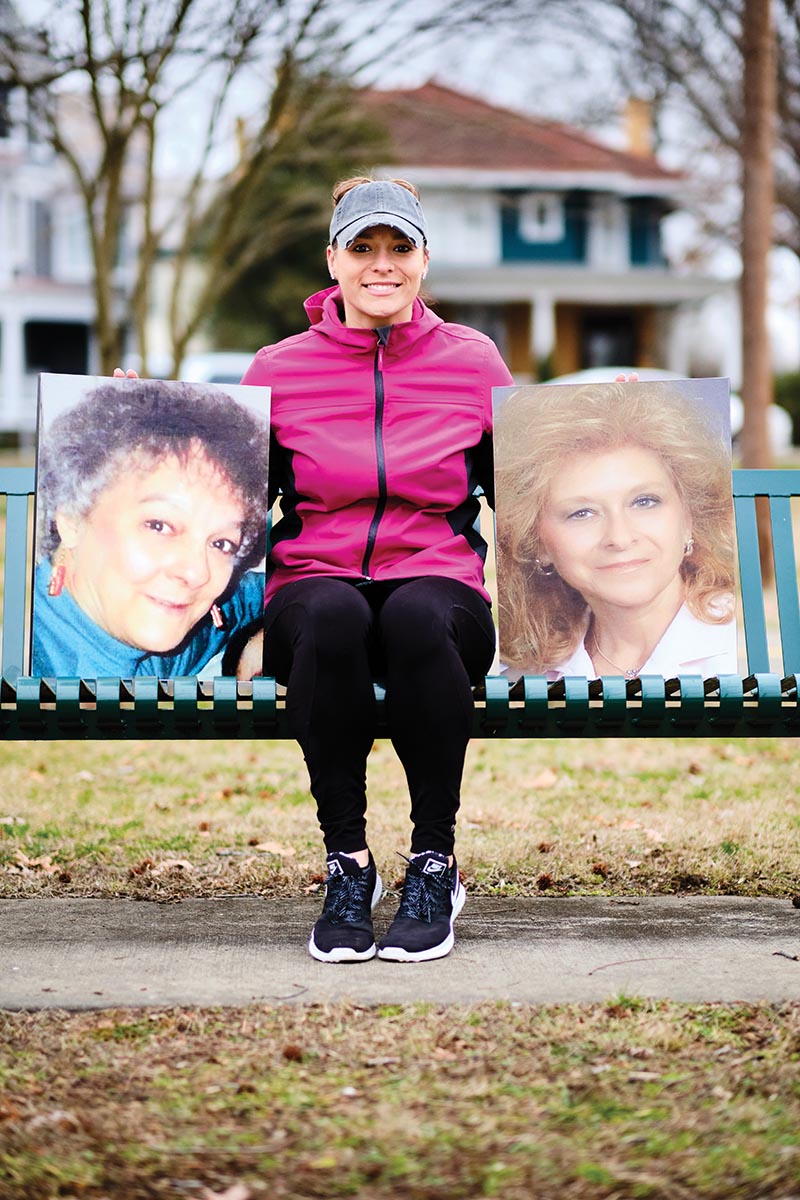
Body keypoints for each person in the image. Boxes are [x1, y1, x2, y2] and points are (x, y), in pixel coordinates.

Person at [235, 175, 514, 963]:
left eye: (399, 247)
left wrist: (613, 418)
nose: (381, 264)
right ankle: (348, 866)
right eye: (363, 247)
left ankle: (433, 865)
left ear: (425, 260)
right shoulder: (278, 367)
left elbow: (532, 483)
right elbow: (225, 497)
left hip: (439, 590)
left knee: (417, 614)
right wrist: (137, 425)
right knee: (333, 615)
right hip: (315, 589)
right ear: (333, 260)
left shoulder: (473, 360)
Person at [493, 380, 737, 681]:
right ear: (537, 543)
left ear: (689, 518)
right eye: (582, 513)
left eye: (644, 501)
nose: (620, 538)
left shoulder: (743, 645)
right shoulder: (521, 674)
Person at [33, 379, 270, 679]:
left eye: (222, 543)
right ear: (71, 517)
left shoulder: (183, 629)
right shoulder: (26, 652)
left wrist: (264, 638)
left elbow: (269, 588)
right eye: (159, 526)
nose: (197, 573)